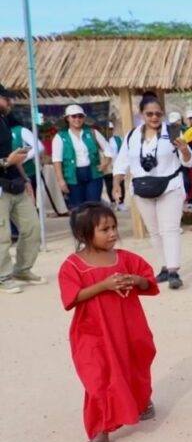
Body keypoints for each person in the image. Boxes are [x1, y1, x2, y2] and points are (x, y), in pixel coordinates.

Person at [58, 203, 159, 442]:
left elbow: (149, 281)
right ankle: (100, 430)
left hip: (128, 328)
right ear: (83, 235)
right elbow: (72, 298)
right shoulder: (73, 266)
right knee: (97, 379)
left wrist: (136, 280)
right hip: (93, 333)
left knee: (134, 365)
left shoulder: (125, 259)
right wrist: (103, 286)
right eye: (105, 229)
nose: (113, 233)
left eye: (114, 227)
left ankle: (142, 399)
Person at [112, 93, 192, 290]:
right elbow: (122, 162)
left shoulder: (173, 132)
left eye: (158, 114)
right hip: (141, 188)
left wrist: (184, 149)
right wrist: (116, 184)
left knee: (170, 229)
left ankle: (174, 270)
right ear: (141, 114)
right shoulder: (132, 135)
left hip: (170, 186)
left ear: (163, 114)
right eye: (149, 114)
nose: (154, 117)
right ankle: (165, 266)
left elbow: (190, 162)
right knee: (154, 231)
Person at [0, 83, 44, 294]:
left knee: (32, 227)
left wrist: (26, 179)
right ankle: (3, 276)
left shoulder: (5, 122)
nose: (10, 102)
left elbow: (12, 155)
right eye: (6, 98)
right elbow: (6, 159)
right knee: (2, 235)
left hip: (16, 183)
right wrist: (5, 162)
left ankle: (22, 269)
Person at [52, 104, 114, 209]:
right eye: (74, 116)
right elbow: (57, 160)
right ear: (67, 118)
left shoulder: (92, 132)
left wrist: (105, 163)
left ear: (84, 118)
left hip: (93, 173)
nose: (77, 119)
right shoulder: (60, 137)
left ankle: (94, 225)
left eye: (80, 116)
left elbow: (108, 149)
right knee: (78, 208)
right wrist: (61, 180)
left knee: (94, 205)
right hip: (72, 175)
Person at [102, 123, 126, 211]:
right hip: (107, 167)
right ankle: (113, 202)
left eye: (111, 129)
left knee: (120, 184)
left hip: (117, 164)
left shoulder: (118, 139)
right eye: (108, 129)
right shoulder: (102, 140)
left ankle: (121, 202)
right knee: (109, 185)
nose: (109, 131)